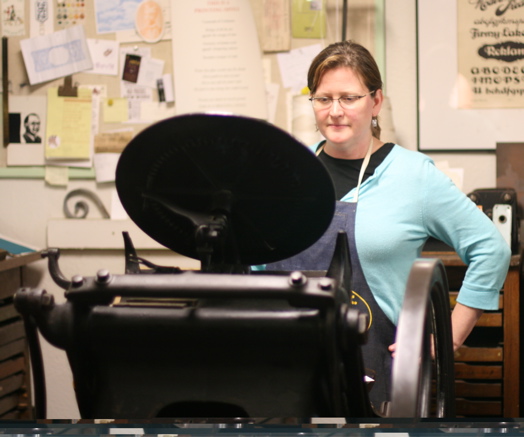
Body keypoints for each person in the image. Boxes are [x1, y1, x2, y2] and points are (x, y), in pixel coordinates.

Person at [264, 40, 511, 412]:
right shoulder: (288, 175)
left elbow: (492, 250)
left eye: (349, 98)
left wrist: (447, 336)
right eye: (323, 98)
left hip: (379, 376)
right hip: (285, 370)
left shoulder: (413, 176)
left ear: (376, 102)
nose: (335, 111)